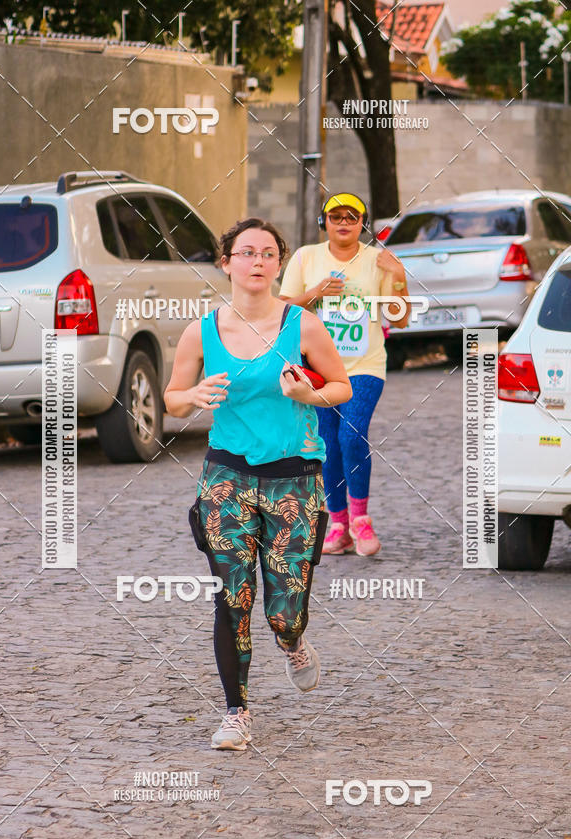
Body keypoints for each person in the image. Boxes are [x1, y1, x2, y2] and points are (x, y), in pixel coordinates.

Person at [163, 217, 351, 751]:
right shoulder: (200, 332)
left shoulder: (304, 325)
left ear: (277, 264)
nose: (257, 262)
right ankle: (236, 712)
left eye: (268, 253)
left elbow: (341, 385)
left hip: (294, 478)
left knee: (283, 608)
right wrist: (193, 395)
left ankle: (292, 641)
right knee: (233, 596)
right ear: (227, 263)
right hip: (226, 479)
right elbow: (172, 398)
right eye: (246, 252)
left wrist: (308, 396)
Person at [279, 192, 410, 556]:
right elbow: (281, 310)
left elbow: (399, 317)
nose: (344, 222)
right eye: (336, 216)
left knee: (353, 436)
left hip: (365, 366)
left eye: (352, 217)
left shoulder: (378, 261)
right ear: (325, 223)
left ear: (361, 224)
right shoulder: (307, 257)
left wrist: (398, 275)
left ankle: (360, 520)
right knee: (328, 442)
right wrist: (316, 293)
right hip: (318, 369)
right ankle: (337, 524)